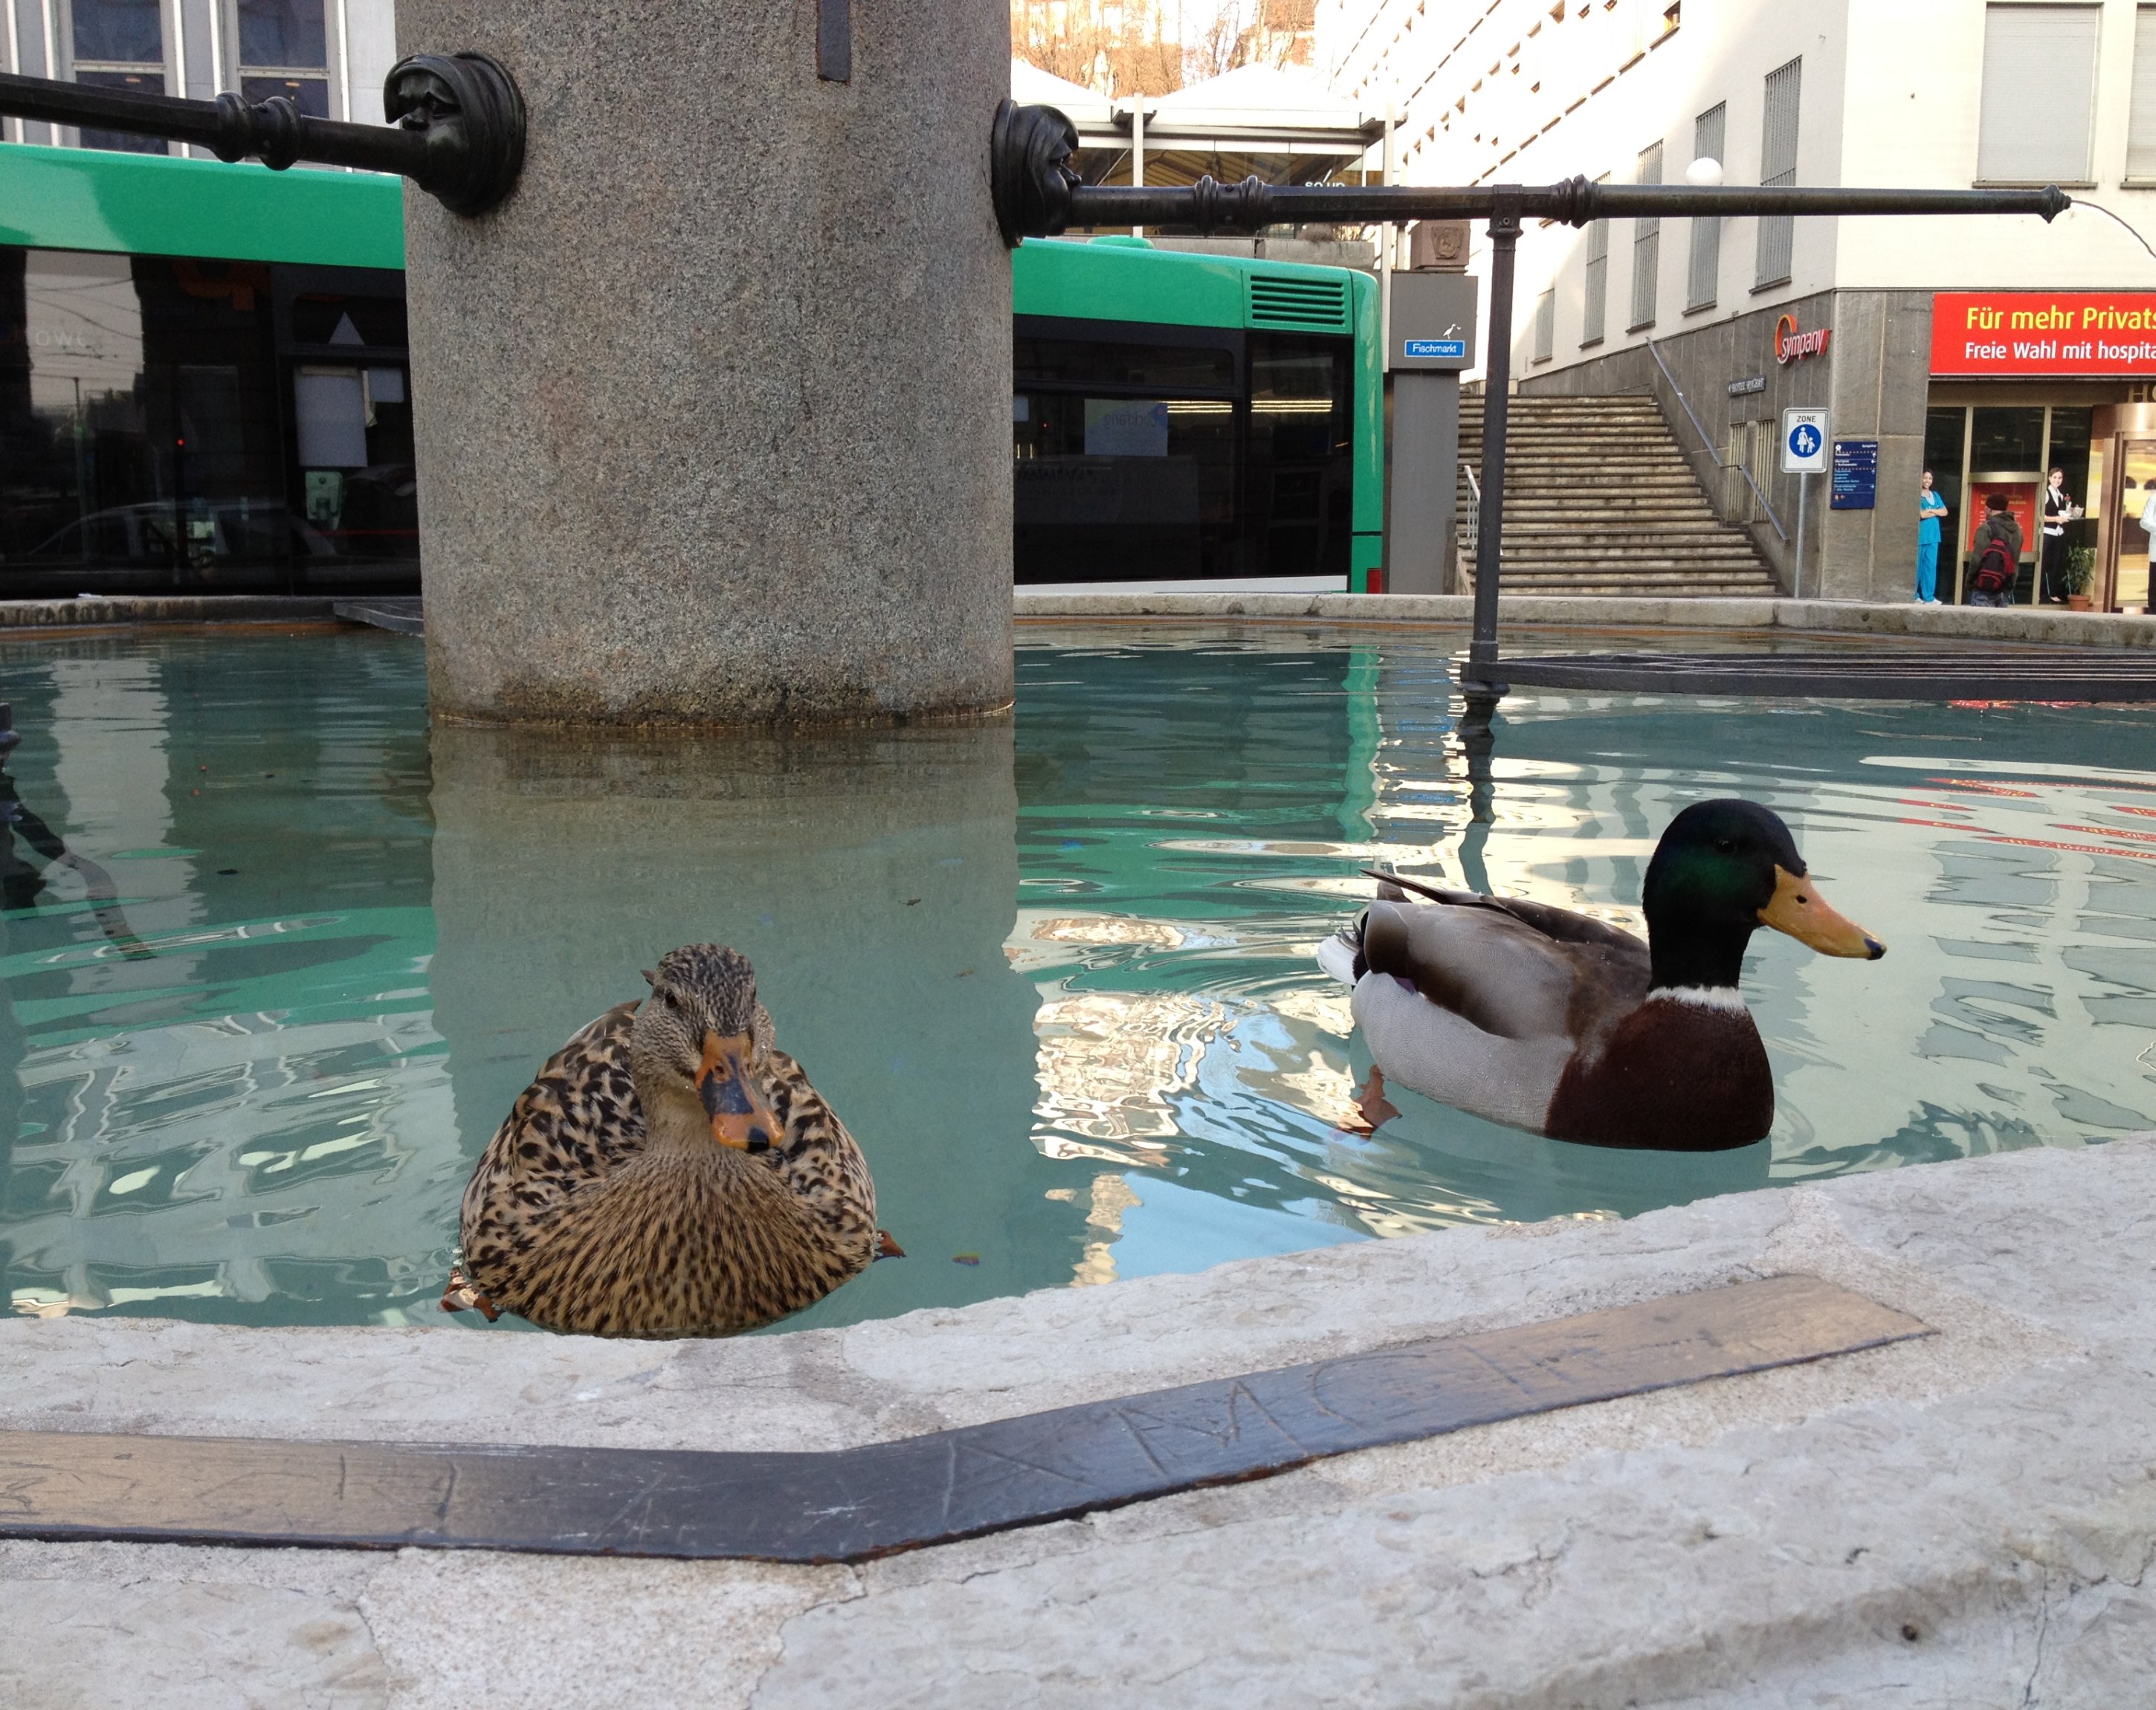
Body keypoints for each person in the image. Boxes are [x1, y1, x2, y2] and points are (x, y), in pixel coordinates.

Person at [1967, 492, 2021, 607]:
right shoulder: (2017, 530)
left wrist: (1970, 582)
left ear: (1989, 509)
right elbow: (2015, 562)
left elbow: (1977, 560)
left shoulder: (1986, 528)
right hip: (2004, 588)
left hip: (1983, 588)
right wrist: (2010, 585)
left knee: (1980, 625)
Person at [2039, 467, 2077, 604]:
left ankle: (2053, 593)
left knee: (2056, 565)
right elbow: (2040, 516)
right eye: (2055, 477)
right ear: (2049, 478)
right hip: (2047, 533)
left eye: (2060, 478)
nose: (2057, 480)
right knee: (2043, 565)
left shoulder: (2061, 495)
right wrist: (2055, 519)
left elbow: (2061, 512)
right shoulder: (2047, 494)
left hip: (2058, 533)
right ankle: (2042, 594)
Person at [1916, 471, 1948, 603]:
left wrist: (1931, 511)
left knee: (1930, 567)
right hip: (1921, 536)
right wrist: (1936, 512)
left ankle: (1929, 597)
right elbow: (1921, 515)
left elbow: (1945, 512)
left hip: (1934, 537)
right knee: (1917, 567)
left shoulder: (1935, 495)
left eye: (1929, 478)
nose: (1927, 481)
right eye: (1925, 478)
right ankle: (1915, 596)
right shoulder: (1917, 495)